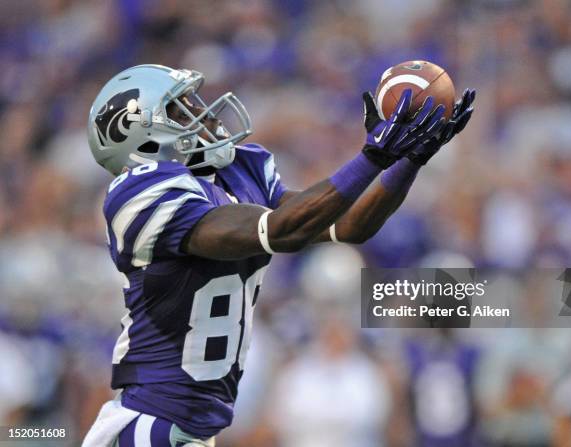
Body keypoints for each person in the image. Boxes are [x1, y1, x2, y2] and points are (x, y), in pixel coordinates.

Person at [82, 64, 475, 446]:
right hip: (150, 425)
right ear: (142, 136)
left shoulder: (239, 172)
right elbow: (282, 229)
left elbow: (350, 225)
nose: (202, 113)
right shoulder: (137, 195)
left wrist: (409, 159)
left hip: (190, 429)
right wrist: (372, 157)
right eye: (179, 108)